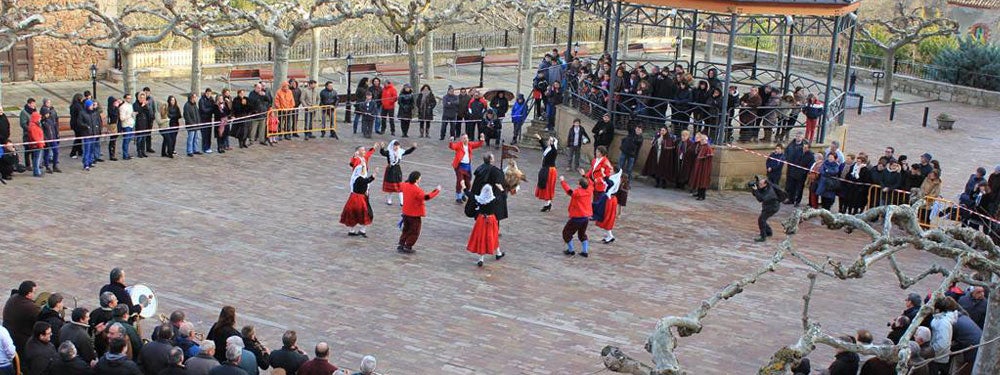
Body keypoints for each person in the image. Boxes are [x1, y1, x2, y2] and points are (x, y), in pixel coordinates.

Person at [398, 171, 441, 254]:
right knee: (414, 231)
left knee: (406, 229)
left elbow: (400, 186)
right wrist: (436, 191)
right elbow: (426, 197)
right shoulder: (417, 190)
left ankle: (401, 244)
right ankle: (408, 246)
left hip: (406, 212)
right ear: (417, 180)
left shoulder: (404, 185)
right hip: (414, 214)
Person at [464, 182, 503, 267]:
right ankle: (496, 254)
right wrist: (501, 188)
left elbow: (469, 194)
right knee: (493, 236)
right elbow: (503, 197)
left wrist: (463, 186)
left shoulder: (479, 199)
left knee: (482, 238)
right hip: (491, 220)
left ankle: (485, 257)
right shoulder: (493, 200)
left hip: (481, 220)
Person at [560, 175, 593, 257]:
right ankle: (585, 251)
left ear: (580, 185)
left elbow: (569, 191)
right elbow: (591, 183)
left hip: (577, 217)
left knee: (566, 233)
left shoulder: (578, 193)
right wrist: (584, 175)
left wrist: (562, 181)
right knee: (582, 234)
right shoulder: (590, 190)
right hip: (586, 218)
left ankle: (571, 250)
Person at [3, 280, 40, 355]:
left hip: (7, 333)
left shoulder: (13, 297)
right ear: (28, 294)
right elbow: (41, 320)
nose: (34, 294)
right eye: (34, 292)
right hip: (21, 341)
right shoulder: (31, 307)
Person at [340, 165, 378, 237]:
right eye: (363, 170)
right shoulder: (359, 179)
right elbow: (368, 180)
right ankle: (360, 230)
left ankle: (353, 230)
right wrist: (375, 173)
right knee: (364, 213)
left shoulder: (357, 178)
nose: (364, 171)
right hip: (359, 199)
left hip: (355, 198)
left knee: (354, 214)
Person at [448, 134, 485, 203]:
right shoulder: (459, 145)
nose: (466, 140)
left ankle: (464, 194)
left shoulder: (470, 145)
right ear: (461, 140)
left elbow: (478, 144)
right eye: (464, 138)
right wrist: (451, 142)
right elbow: (452, 146)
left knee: (468, 183)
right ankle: (458, 196)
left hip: (467, 167)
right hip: (460, 166)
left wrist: (482, 139)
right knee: (460, 181)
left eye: (467, 138)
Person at [379, 140, 417, 206]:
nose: (396, 147)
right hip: (390, 170)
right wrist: (382, 148)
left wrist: (413, 147)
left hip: (397, 170)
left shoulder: (400, 152)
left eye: (397, 146)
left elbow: (407, 152)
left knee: (399, 186)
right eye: (395, 146)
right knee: (390, 186)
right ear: (392, 146)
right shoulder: (389, 152)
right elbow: (383, 153)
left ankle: (402, 202)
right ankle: (389, 200)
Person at [584, 146, 614, 222]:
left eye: (597, 152)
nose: (596, 153)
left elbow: (607, 174)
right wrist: (585, 175)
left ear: (601, 153)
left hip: (601, 184)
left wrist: (599, 180)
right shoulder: (594, 160)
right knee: (595, 198)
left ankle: (597, 215)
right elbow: (592, 170)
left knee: (599, 200)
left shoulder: (606, 162)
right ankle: (593, 214)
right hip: (594, 183)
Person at [596, 170, 624, 244]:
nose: (610, 171)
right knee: (606, 218)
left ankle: (610, 236)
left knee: (607, 218)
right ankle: (610, 236)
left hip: (610, 200)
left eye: (612, 170)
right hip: (611, 199)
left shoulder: (614, 179)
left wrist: (604, 175)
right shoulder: (616, 178)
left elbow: (610, 183)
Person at [751, 176, 783, 242]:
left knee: (761, 220)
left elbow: (760, 199)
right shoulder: (764, 187)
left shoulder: (770, 192)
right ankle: (769, 232)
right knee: (763, 219)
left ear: (765, 184)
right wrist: (754, 189)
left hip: (772, 207)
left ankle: (763, 236)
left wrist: (756, 190)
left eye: (761, 184)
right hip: (767, 206)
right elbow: (756, 194)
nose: (759, 185)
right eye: (759, 184)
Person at [535, 134, 559, 212]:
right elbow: (543, 146)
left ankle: (547, 204)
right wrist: (540, 138)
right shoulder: (548, 149)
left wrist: (552, 144)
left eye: (550, 141)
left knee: (548, 187)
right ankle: (548, 203)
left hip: (550, 171)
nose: (548, 142)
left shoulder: (553, 151)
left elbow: (554, 150)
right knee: (544, 186)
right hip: (546, 169)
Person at [787, 142, 814, 207]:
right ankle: (791, 199)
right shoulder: (798, 151)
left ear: (809, 148)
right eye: (803, 147)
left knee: (799, 188)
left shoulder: (811, 156)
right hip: (794, 171)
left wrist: (804, 171)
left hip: (802, 174)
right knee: (792, 186)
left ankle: (797, 201)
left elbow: (810, 165)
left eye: (806, 148)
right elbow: (793, 159)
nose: (804, 149)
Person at [690, 133, 714, 200]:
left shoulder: (708, 148)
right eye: (701, 139)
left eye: (702, 140)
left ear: (705, 140)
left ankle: (702, 196)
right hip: (700, 166)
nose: (701, 141)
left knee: (703, 181)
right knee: (699, 180)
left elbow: (708, 158)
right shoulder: (702, 146)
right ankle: (698, 193)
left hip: (704, 168)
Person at [39, 99, 61, 173]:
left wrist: (57, 134)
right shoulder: (42, 121)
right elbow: (42, 131)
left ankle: (55, 165)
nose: (48, 114)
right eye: (46, 113)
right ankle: (47, 166)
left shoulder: (51, 119)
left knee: (56, 151)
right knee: (46, 152)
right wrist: (45, 138)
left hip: (53, 137)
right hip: (47, 138)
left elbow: (55, 126)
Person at [25, 111, 44, 177]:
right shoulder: (33, 126)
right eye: (39, 118)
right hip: (37, 145)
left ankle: (37, 170)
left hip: (38, 144)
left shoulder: (35, 125)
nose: (40, 119)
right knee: (36, 158)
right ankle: (36, 172)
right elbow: (35, 138)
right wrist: (40, 144)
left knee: (36, 158)